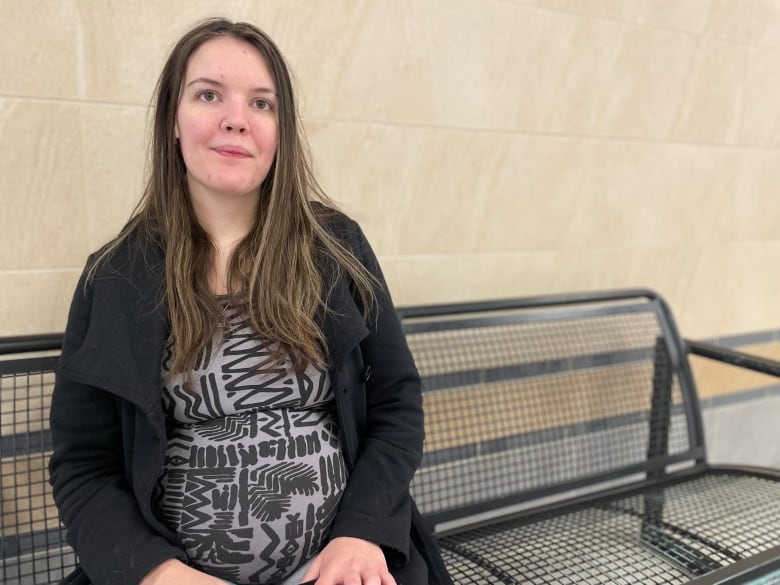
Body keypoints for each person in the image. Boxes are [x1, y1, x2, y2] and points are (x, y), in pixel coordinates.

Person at [49, 18, 452, 585]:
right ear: (172, 119)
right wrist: (158, 574)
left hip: (339, 564)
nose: (236, 118)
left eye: (262, 103)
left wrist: (361, 532)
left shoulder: (335, 248)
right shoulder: (114, 277)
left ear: (280, 131)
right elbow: (84, 466)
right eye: (208, 94)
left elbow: (397, 402)